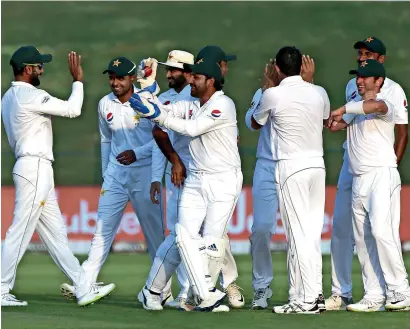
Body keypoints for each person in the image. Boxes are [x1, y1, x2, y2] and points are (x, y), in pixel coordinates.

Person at [1, 46, 111, 307]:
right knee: (20, 231)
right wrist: (78, 80)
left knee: (56, 235)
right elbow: (73, 109)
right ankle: (1, 288)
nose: (42, 69)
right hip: (35, 167)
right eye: (39, 66)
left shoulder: (7, 97)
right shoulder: (29, 94)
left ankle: (83, 287)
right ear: (27, 70)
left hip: (35, 168)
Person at [130, 57, 242, 312]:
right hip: (196, 178)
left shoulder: (223, 104)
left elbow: (192, 129)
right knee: (181, 236)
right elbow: (164, 113)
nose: (190, 80)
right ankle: (153, 292)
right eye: (191, 76)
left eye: (197, 77)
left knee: (212, 241)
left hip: (224, 180)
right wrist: (147, 90)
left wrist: (158, 114)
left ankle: (198, 295)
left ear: (210, 81)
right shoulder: (189, 101)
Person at [59, 56, 170, 305]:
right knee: (101, 232)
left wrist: (149, 170)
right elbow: (106, 141)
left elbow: (161, 138)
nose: (114, 82)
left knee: (155, 236)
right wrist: (105, 176)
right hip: (116, 176)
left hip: (144, 174)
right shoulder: (104, 104)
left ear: (132, 78)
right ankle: (85, 288)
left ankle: (161, 290)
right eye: (111, 77)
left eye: (120, 78)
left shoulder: (147, 101)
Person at [325, 37, 409, 311]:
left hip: (381, 172)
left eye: (365, 76)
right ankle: (374, 295)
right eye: (358, 76)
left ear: (379, 78)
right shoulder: (356, 93)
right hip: (358, 173)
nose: (359, 79)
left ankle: (401, 291)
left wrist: (343, 109)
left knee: (383, 231)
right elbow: (344, 122)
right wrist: (331, 120)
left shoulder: (387, 98)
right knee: (361, 236)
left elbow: (376, 109)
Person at [251, 46, 329, 314]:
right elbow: (325, 116)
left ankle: (307, 300)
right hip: (317, 167)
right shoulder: (319, 92)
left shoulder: (273, 94)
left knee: (298, 236)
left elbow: (255, 121)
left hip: (291, 167)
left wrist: (268, 88)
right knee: (310, 234)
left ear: (278, 69)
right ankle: (310, 294)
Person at [148, 49, 195, 308]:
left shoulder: (199, 96)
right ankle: (182, 292)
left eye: (173, 70)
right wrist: (156, 177)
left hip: (198, 172)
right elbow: (158, 140)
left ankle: (193, 291)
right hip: (173, 175)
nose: (168, 75)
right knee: (177, 231)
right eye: (167, 70)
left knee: (194, 232)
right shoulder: (162, 99)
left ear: (187, 72)